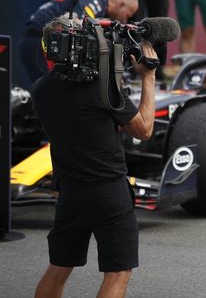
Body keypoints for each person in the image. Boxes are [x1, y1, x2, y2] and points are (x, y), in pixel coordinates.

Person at [32, 17, 157, 298]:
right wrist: (148, 77)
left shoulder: (41, 89)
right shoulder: (102, 87)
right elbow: (145, 129)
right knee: (117, 272)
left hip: (70, 192)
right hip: (108, 191)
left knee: (59, 267)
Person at [20, 0, 138, 83]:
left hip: (36, 41)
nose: (125, 19)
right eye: (127, 14)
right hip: (39, 42)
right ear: (121, 5)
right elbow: (78, 26)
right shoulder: (95, 3)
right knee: (49, 96)